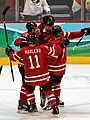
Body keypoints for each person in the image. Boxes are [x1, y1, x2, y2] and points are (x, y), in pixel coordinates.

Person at [5, 31, 69, 114]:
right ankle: (54, 106)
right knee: (48, 91)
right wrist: (61, 45)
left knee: (29, 90)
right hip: (43, 77)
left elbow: (14, 58)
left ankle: (33, 105)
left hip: (30, 78)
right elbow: (54, 51)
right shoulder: (42, 48)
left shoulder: (23, 50)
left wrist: (9, 52)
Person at [39, 19, 90, 109]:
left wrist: (82, 32)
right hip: (51, 64)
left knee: (53, 84)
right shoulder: (43, 36)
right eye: (47, 26)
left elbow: (72, 34)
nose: (48, 28)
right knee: (50, 84)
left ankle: (53, 100)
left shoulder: (57, 36)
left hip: (53, 65)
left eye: (50, 26)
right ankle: (49, 99)